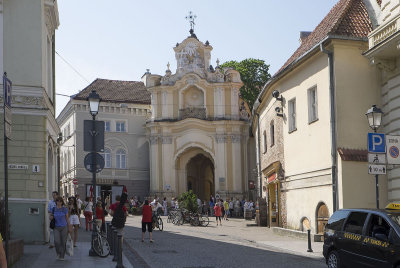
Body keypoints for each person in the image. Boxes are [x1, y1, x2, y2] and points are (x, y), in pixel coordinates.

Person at [50, 196, 72, 261]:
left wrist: (70, 227)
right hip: (56, 227)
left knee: (63, 242)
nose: (59, 202)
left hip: (64, 227)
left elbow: (67, 218)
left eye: (60, 201)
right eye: (58, 201)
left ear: (62, 202)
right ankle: (58, 253)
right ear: (56, 202)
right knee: (57, 241)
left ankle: (62, 256)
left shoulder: (64, 209)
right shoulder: (53, 209)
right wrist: (51, 217)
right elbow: (50, 217)